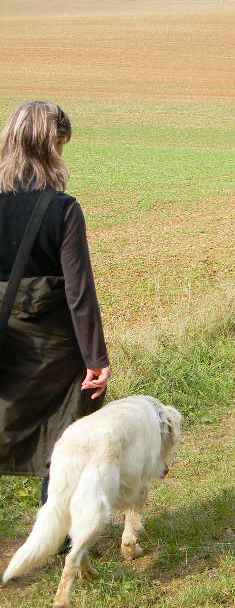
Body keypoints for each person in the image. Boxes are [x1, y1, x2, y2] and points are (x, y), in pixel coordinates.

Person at [0, 101, 110, 503]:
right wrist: (96, 359)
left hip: (5, 346)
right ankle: (60, 533)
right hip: (55, 351)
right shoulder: (62, 209)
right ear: (53, 146)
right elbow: (79, 292)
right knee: (64, 436)